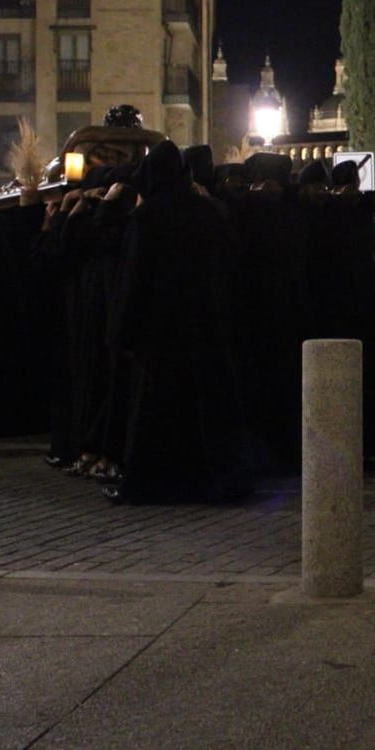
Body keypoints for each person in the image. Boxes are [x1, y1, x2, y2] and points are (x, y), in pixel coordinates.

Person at [108, 141, 257, 504]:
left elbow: (134, 279)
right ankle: (214, 481)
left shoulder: (147, 217)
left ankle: (152, 484)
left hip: (159, 330)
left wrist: (122, 333)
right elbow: (233, 265)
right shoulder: (209, 212)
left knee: (156, 410)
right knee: (208, 404)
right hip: (205, 323)